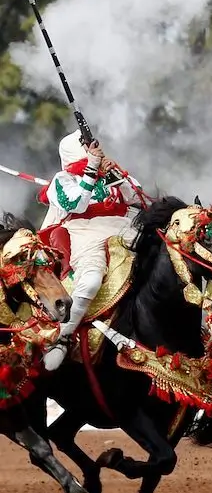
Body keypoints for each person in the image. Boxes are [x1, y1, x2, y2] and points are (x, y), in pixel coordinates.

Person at [40, 131, 145, 370]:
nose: (93, 148)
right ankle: (64, 338)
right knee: (90, 281)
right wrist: (91, 169)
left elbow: (139, 200)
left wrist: (116, 175)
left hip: (125, 228)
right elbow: (76, 204)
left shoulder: (107, 171)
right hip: (86, 233)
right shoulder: (62, 179)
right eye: (86, 146)